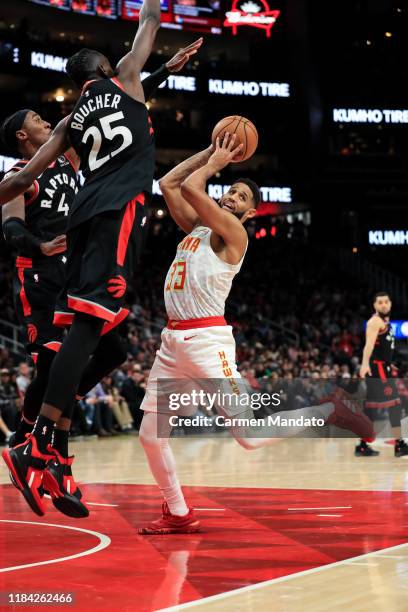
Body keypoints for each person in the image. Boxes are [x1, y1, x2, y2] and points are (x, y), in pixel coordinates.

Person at [0, 0, 203, 517]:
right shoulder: (125, 79)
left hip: (85, 220)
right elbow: (149, 22)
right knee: (86, 332)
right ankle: (38, 442)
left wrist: (161, 68)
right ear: (111, 70)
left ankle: (45, 447)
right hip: (111, 215)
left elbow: (18, 181)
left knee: (102, 341)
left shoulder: (70, 122)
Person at [137, 133, 374, 534]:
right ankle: (178, 512)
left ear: (249, 212)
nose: (232, 196)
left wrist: (216, 164)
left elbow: (194, 185)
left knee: (248, 434)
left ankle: (329, 410)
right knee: (149, 434)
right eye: (231, 190)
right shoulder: (196, 227)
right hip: (172, 343)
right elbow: (168, 184)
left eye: (242, 196)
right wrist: (210, 153)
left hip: (208, 344)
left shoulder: (233, 233)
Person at [357, 292, 408, 457]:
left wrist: (388, 363)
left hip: (382, 367)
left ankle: (363, 445)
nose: (384, 305)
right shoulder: (374, 322)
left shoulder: (386, 323)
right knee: (394, 405)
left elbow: (382, 348)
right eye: (380, 303)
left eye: (386, 302)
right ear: (375, 306)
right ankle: (399, 444)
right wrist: (365, 364)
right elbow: (369, 346)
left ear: (391, 304)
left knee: (371, 408)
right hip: (377, 369)